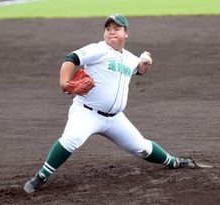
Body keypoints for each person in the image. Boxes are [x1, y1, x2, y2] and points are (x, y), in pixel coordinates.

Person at [24, 14, 196, 193]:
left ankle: (173, 162)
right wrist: (63, 82)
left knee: (143, 148)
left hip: (115, 119)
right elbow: (71, 58)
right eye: (108, 29)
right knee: (71, 139)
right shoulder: (98, 49)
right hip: (87, 113)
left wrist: (146, 62)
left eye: (116, 29)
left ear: (126, 33)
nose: (111, 32)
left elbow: (140, 70)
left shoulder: (129, 58)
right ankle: (42, 176)